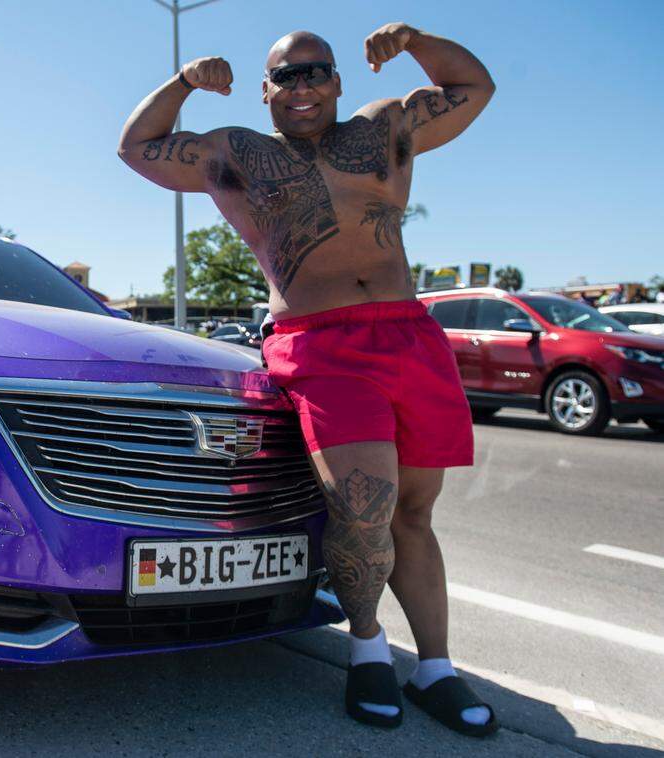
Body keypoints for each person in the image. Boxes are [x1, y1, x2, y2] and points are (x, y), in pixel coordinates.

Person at [119, 23, 496, 736]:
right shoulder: (237, 153)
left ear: (337, 81)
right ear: (265, 91)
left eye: (314, 71)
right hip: (320, 344)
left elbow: (472, 87)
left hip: (409, 336)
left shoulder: (385, 128)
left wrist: (415, 39)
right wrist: (183, 84)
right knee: (364, 508)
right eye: (286, 76)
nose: (302, 86)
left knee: (413, 514)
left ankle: (437, 669)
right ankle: (367, 650)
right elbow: (137, 147)